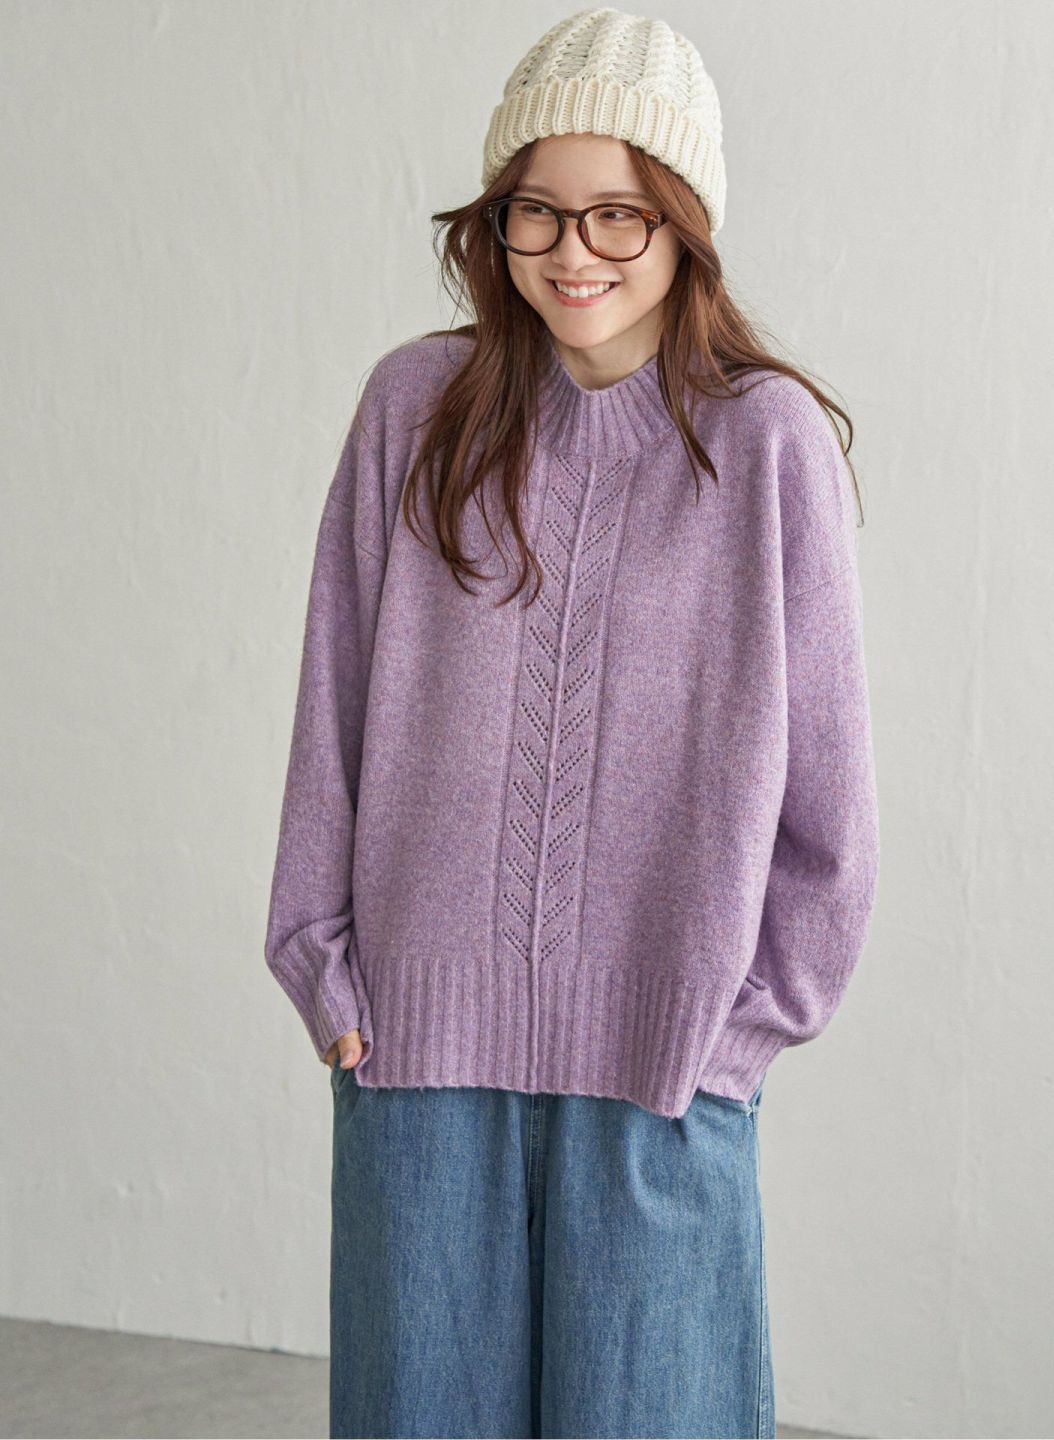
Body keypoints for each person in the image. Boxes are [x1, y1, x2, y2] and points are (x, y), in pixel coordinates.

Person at [263, 7, 881, 1437]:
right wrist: (324, 972)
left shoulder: (767, 445)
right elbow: (332, 705)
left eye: (618, 212)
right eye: (536, 209)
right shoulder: (415, 409)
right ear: (496, 220)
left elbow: (831, 799)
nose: (572, 251)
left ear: (685, 225)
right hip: (415, 1060)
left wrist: (739, 1038)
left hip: (665, 1076)